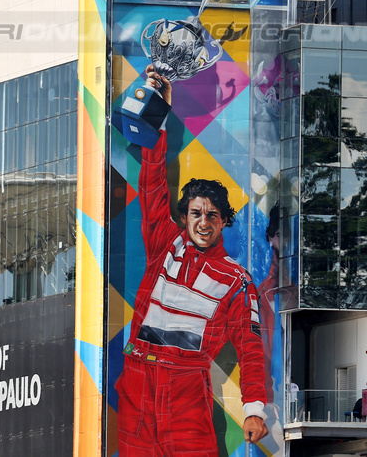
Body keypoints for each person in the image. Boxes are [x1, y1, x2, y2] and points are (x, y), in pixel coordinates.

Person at [116, 69, 269, 457]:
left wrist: (254, 409)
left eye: (212, 215)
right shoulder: (164, 242)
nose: (203, 222)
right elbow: (151, 181)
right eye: (197, 213)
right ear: (184, 216)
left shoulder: (236, 280)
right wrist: (159, 111)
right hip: (137, 380)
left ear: (223, 222)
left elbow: (250, 349)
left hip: (184, 388)